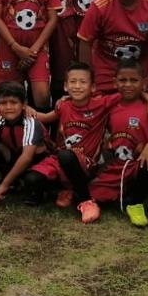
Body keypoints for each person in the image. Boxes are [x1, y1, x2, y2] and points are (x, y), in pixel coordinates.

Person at [24, 62, 112, 224]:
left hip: (85, 163)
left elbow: (129, 93)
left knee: (66, 156)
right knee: (32, 179)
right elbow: (45, 117)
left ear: (93, 87)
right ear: (65, 86)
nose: (77, 86)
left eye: (83, 82)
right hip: (61, 159)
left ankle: (86, 201)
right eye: (72, 82)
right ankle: (67, 190)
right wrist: (27, 109)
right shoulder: (63, 105)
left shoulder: (102, 104)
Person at [88, 60, 148, 227]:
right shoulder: (110, 105)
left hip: (139, 163)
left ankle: (134, 203)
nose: (128, 85)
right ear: (114, 82)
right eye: (122, 80)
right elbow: (85, 103)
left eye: (134, 81)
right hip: (116, 164)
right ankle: (121, 193)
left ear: (143, 83)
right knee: (96, 195)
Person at [0, 82, 49, 205]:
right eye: (3, 103)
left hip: (39, 163)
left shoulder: (31, 122)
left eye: (14, 102)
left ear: (24, 104)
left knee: (32, 179)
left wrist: (4, 185)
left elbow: (27, 157)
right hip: (17, 158)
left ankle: (38, 190)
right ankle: (14, 182)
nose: (8, 107)